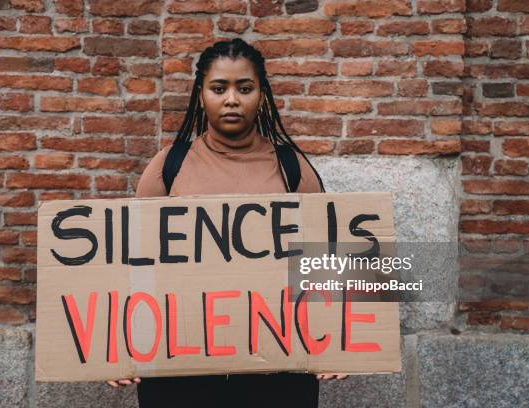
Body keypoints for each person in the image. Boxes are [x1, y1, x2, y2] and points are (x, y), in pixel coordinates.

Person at [107, 38, 348, 407]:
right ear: (201, 95)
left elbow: (322, 263)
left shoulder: (292, 169)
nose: (232, 99)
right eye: (219, 88)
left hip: (276, 375)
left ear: (262, 96)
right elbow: (132, 265)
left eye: (245, 88)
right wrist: (113, 347)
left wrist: (339, 341)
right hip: (182, 373)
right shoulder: (168, 167)